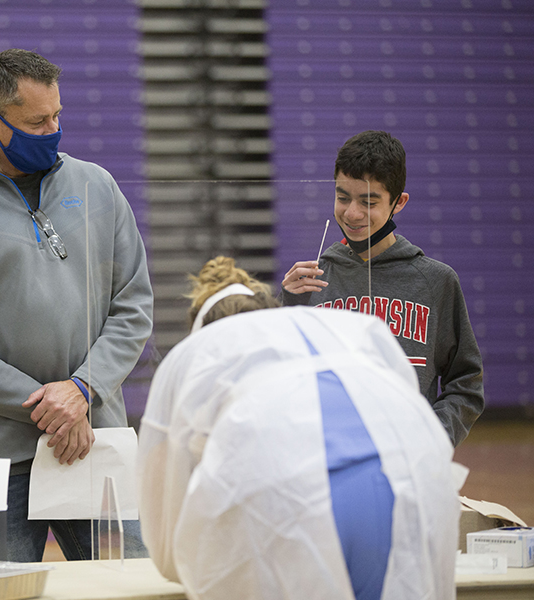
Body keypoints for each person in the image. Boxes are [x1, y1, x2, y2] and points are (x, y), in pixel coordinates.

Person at [0, 48, 153, 562]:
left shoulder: (99, 187)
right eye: (36, 122)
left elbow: (133, 307)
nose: (53, 130)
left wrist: (83, 390)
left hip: (92, 441)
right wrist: (49, 406)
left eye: (57, 116)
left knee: (132, 590)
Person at [138, 256, 458, 600]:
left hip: (294, 501)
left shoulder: (199, 355)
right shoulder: (333, 332)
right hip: (419, 474)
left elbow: (168, 544)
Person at [280, 130, 484, 447]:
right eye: (342, 197)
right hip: (325, 462)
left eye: (369, 201)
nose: (352, 213)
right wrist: (288, 306)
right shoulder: (311, 281)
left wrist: (434, 440)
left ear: (398, 203)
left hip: (406, 465)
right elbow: (280, 379)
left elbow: (466, 382)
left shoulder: (436, 281)